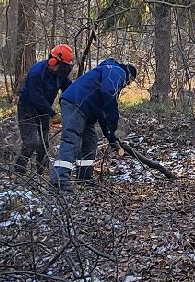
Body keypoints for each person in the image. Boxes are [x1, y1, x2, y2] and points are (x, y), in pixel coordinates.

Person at [54, 57, 137, 192]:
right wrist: (114, 117)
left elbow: (102, 111)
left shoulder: (107, 71)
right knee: (71, 139)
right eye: (129, 82)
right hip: (75, 103)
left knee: (90, 140)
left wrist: (110, 135)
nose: (126, 84)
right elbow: (109, 93)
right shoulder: (117, 71)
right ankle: (59, 180)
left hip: (84, 108)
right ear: (129, 76)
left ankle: (84, 177)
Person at [15, 44, 76, 176]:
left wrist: (77, 97)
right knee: (31, 142)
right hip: (28, 109)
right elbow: (36, 97)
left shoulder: (59, 75)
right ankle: (19, 170)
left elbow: (69, 89)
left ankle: (41, 172)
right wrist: (52, 113)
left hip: (44, 109)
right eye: (65, 66)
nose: (66, 70)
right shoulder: (36, 73)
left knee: (43, 143)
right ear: (54, 61)